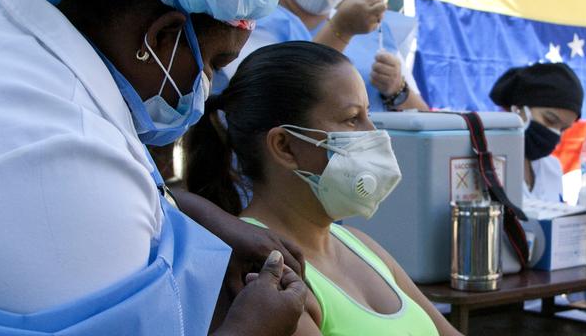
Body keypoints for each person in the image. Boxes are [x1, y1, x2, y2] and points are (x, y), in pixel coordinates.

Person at [0, 0, 309, 334]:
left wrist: (192, 213)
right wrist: (255, 327)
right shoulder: (66, 163)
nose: (206, 83)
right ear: (159, 38)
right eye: (215, 62)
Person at [184, 41, 459, 336]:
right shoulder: (263, 274)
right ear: (285, 146)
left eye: (368, 115)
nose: (375, 135)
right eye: (353, 119)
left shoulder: (359, 243)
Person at [216, 0, 430, 112]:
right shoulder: (251, 27)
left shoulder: (373, 31)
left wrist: (398, 91)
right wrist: (340, 30)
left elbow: (426, 119)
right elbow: (276, 105)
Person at [489, 63, 583, 203]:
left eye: (563, 129)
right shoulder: (484, 163)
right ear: (518, 110)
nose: (554, 133)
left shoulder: (552, 168)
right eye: (549, 120)